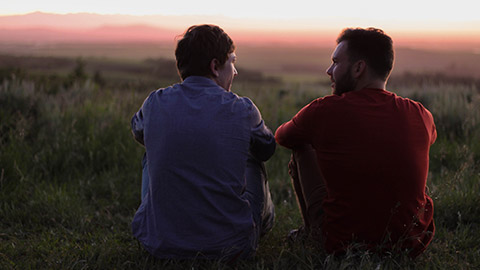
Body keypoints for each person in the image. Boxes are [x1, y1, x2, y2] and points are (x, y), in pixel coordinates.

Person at [275, 27, 436, 257]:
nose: (329, 70)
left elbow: (282, 136)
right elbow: (428, 138)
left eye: (336, 62)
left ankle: (312, 234)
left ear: (359, 68)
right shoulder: (421, 114)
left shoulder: (324, 110)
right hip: (410, 245)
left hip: (344, 246)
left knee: (301, 145)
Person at [131, 24, 275, 261]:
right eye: (232, 62)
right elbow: (267, 148)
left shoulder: (154, 102)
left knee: (150, 155)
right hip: (231, 248)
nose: (235, 72)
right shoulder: (242, 109)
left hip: (159, 246)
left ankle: (165, 226)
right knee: (253, 159)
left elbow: (139, 133)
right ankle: (260, 224)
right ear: (215, 66)